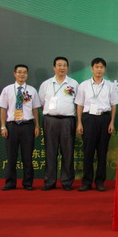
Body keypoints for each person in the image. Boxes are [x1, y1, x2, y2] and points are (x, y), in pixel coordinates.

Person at [75, 57, 118, 191]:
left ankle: (100, 181)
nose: (99, 70)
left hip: (104, 119)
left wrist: (112, 122)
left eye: (101, 67)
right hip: (88, 119)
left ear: (104, 69)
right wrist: (79, 123)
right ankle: (86, 182)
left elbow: (113, 105)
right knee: (88, 152)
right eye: (96, 67)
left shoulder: (110, 85)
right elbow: (80, 105)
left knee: (102, 152)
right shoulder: (83, 85)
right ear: (92, 68)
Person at [0, 64, 41, 191]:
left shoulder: (32, 90)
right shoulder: (7, 90)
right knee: (11, 157)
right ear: (14, 74)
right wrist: (3, 126)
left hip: (27, 126)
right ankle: (10, 183)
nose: (22, 74)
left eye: (25, 72)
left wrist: (37, 125)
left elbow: (35, 109)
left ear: (27, 74)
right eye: (19, 72)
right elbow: (3, 109)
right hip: (12, 126)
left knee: (28, 157)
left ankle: (28, 183)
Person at [38, 56, 78, 191]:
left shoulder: (74, 84)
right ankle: (49, 181)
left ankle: (67, 182)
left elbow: (78, 104)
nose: (62, 68)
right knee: (50, 151)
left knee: (68, 152)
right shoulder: (46, 84)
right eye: (59, 65)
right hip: (50, 120)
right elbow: (41, 103)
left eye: (64, 65)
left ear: (67, 68)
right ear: (54, 67)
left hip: (68, 121)